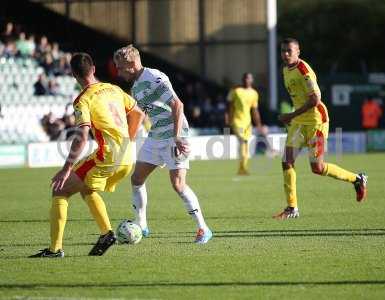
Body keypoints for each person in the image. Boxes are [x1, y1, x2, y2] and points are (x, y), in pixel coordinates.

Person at [30, 52, 144, 258]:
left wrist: (65, 169)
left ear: (74, 75)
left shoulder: (83, 100)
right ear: (93, 69)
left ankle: (55, 250)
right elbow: (138, 113)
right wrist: (130, 139)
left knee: (61, 190)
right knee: (86, 188)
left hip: (108, 156)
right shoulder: (114, 88)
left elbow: (81, 137)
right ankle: (106, 234)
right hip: (128, 156)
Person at [113, 44, 212, 244]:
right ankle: (142, 225)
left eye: (120, 67)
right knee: (137, 179)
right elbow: (141, 114)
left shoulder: (153, 77)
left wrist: (176, 138)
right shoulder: (136, 85)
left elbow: (178, 105)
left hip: (176, 134)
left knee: (178, 184)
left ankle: (204, 229)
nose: (118, 72)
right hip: (156, 134)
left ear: (131, 64)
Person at [274, 38, 367, 219]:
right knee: (287, 161)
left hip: (317, 121)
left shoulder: (303, 70)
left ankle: (357, 179)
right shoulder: (285, 70)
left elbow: (315, 99)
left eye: (289, 51)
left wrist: (290, 115)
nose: (285, 54)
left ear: (298, 52)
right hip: (299, 122)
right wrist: (293, 119)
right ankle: (292, 208)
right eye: (283, 51)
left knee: (317, 168)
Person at [226, 72, 267, 175]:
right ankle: (243, 167)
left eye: (248, 78)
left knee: (245, 144)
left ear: (252, 80)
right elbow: (229, 106)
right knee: (242, 140)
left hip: (247, 123)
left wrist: (259, 125)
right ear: (242, 79)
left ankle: (242, 168)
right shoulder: (236, 90)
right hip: (236, 121)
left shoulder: (254, 93)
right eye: (245, 78)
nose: (246, 80)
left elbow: (255, 111)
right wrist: (228, 120)